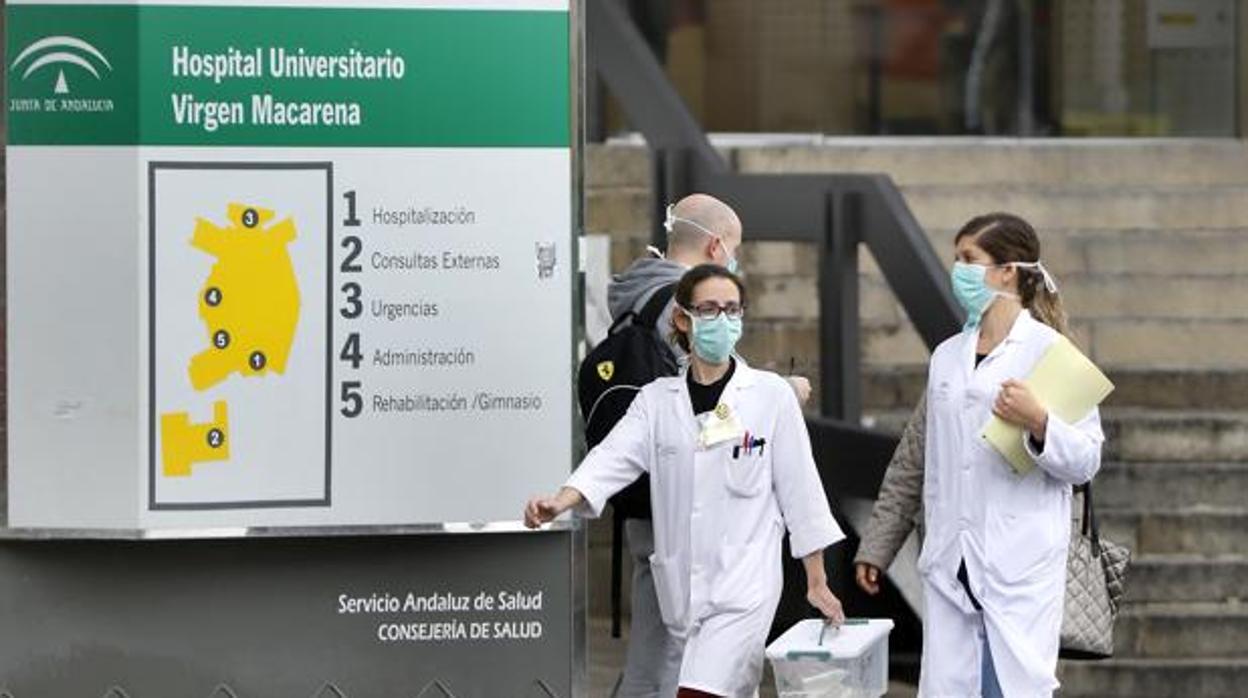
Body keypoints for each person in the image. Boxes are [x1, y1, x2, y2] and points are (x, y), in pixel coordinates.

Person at [528, 264, 844, 698]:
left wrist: (817, 580)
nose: (723, 320)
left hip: (744, 589)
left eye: (732, 310)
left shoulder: (770, 396)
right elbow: (612, 458)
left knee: (698, 693)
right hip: (682, 595)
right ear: (682, 319)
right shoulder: (657, 401)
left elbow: (801, 491)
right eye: (710, 309)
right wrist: (561, 501)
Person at [859, 212, 1103, 697]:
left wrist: (1039, 421)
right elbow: (917, 456)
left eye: (969, 259)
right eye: (957, 259)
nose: (959, 271)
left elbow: (1086, 459)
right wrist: (879, 545)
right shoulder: (947, 357)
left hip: (1021, 561)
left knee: (1010, 688)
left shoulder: (1049, 351)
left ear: (1008, 270)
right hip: (952, 557)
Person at [605, 193, 810, 698]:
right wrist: (783, 394)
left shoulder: (632, 295)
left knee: (661, 647)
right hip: (687, 502)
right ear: (717, 246)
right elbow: (709, 403)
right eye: (734, 250)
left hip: (645, 493)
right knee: (675, 658)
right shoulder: (685, 305)